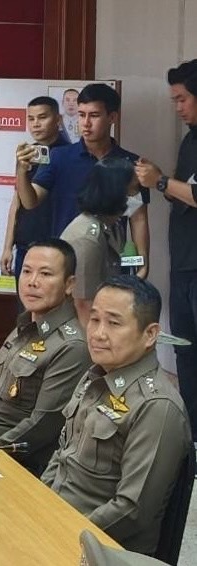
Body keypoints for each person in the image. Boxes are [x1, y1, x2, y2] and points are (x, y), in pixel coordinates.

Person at [42, 276, 191, 555]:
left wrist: (61, 531)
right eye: (94, 319)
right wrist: (37, 503)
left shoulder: (157, 406)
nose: (98, 333)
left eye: (113, 323)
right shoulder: (95, 377)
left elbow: (131, 511)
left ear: (150, 334)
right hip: (55, 520)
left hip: (99, 548)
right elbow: (62, 457)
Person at [0, 239, 91, 475]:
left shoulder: (72, 346)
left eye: (45, 274)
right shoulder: (25, 326)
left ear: (69, 284)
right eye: (26, 271)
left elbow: (42, 426)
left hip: (19, 463)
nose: (32, 281)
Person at [14, 83, 150, 279]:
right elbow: (30, 202)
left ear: (112, 117)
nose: (85, 123)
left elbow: (138, 218)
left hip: (111, 260)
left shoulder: (130, 163)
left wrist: (142, 264)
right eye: (81, 114)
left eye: (94, 115)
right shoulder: (59, 157)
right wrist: (21, 171)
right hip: (65, 261)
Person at [134, 59, 197, 442]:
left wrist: (159, 182)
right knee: (186, 352)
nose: (178, 107)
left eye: (182, 99)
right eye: (174, 100)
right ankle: (190, 437)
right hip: (184, 263)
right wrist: (163, 181)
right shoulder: (190, 140)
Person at [61, 158, 139, 325]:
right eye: (133, 190)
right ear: (116, 192)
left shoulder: (111, 225)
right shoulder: (87, 238)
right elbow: (83, 303)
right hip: (79, 328)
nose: (137, 197)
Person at [1, 96, 69, 284]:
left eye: (42, 117)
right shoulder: (27, 153)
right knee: (25, 300)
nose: (36, 124)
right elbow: (17, 201)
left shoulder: (69, 154)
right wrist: (7, 247)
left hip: (56, 245)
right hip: (25, 244)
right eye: (31, 119)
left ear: (58, 120)